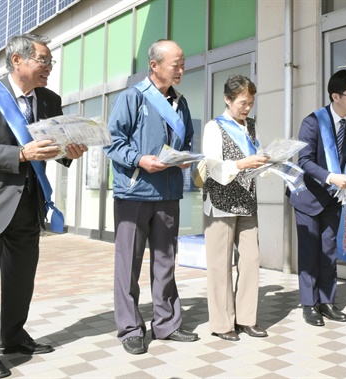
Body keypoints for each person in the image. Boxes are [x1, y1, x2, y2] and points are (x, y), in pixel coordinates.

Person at [0, 33, 87, 378]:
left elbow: (51, 147)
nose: (49, 68)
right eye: (43, 60)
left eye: (50, 62)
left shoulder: (50, 100)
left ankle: (12, 336)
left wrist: (69, 151)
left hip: (28, 201)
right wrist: (21, 153)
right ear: (17, 61)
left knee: (21, 277)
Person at [104, 39, 198, 356]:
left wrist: (185, 157)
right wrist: (140, 159)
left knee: (165, 261)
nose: (182, 69)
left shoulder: (180, 102)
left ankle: (167, 324)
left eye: (183, 63)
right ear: (155, 65)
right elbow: (112, 143)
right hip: (134, 192)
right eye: (176, 64)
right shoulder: (132, 98)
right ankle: (130, 328)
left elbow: (187, 138)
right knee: (128, 263)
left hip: (169, 191)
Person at [288, 69, 346, 327]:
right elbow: (304, 161)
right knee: (309, 252)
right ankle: (309, 304)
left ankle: (327, 302)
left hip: (334, 197)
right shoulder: (312, 122)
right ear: (336, 95)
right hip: (309, 197)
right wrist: (330, 177)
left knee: (328, 250)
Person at [202, 75, 269, 341]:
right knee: (220, 265)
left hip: (247, 201)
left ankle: (246, 319)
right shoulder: (213, 127)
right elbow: (213, 167)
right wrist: (242, 164)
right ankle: (222, 323)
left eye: (251, 103)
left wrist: (266, 161)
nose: (247, 108)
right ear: (227, 100)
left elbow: (258, 155)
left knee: (251, 260)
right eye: (242, 102)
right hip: (220, 203)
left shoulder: (250, 125)